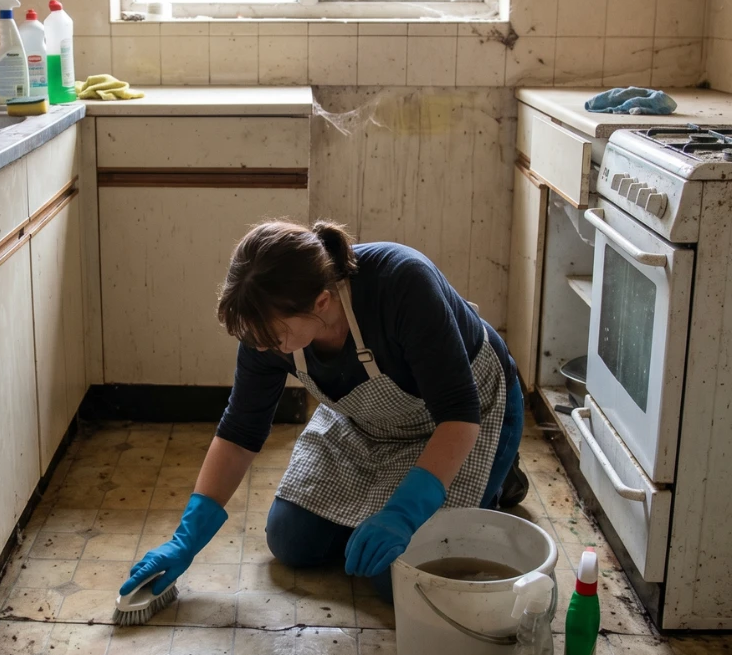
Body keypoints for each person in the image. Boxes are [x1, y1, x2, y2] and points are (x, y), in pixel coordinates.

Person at [119, 220, 528, 601]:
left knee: (398, 577)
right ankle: (397, 497)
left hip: (466, 415)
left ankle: (501, 474)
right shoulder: (264, 325)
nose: (262, 348)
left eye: (275, 338)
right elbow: (240, 431)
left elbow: (458, 415)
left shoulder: (402, 282)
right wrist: (185, 538)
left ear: (323, 300)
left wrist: (403, 514)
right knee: (292, 540)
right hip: (368, 423)